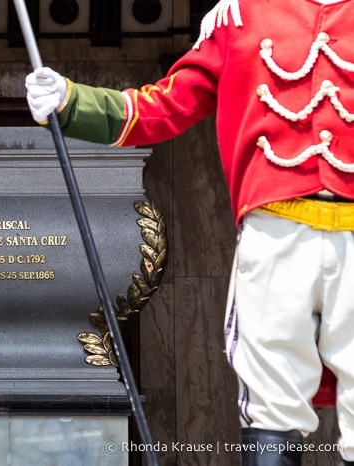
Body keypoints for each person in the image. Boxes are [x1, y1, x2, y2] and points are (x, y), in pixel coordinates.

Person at [25, 0, 354, 464]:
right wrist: (72, 102)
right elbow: (165, 106)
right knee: (271, 408)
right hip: (277, 234)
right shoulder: (241, 13)